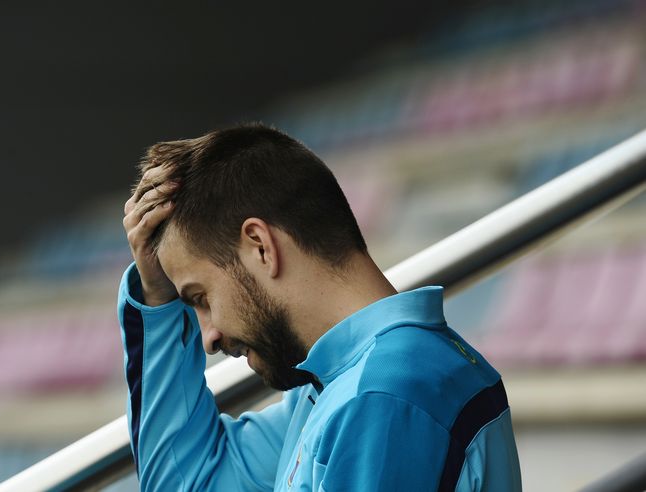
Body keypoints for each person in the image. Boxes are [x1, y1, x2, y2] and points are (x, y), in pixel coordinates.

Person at [118, 123, 521, 491]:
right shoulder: (343, 387)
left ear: (261, 246)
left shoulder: (382, 396)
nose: (208, 337)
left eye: (200, 298)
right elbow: (192, 483)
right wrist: (156, 298)